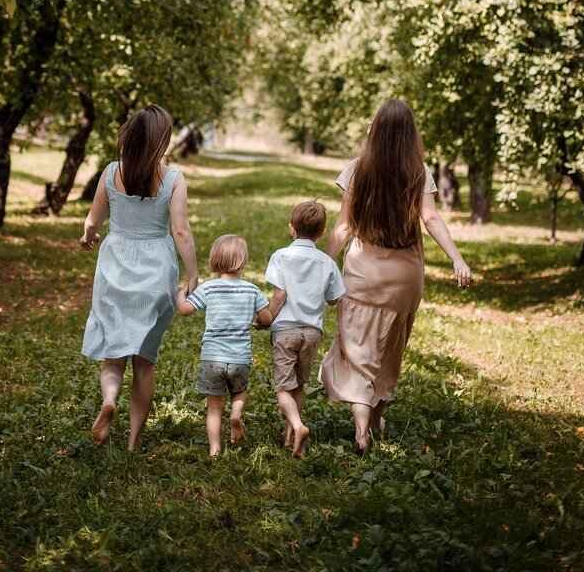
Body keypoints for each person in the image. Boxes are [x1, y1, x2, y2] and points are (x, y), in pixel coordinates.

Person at [320, 99, 473, 451]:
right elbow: (431, 218)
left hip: (362, 276)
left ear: (375, 129)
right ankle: (375, 420)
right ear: (410, 134)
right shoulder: (418, 171)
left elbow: (343, 227)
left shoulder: (358, 168)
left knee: (357, 351)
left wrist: (324, 265)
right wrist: (457, 260)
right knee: (389, 351)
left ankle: (361, 429)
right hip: (403, 281)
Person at [79, 104, 198, 451]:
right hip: (156, 270)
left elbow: (92, 222)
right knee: (145, 362)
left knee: (113, 356)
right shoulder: (173, 179)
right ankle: (133, 441)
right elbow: (180, 229)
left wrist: (88, 238)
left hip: (115, 266)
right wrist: (193, 274)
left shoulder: (111, 172)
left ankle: (109, 400)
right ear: (161, 140)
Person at [261, 200, 345, 457]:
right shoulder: (327, 263)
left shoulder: (281, 256)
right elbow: (333, 299)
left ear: (291, 228)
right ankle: (289, 437)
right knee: (298, 384)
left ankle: (297, 426)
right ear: (321, 233)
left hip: (285, 331)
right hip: (311, 333)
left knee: (283, 387)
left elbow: (279, 295)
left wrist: (267, 319)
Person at [177, 234, 272, 457]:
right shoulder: (251, 290)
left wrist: (181, 294)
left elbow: (185, 310)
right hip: (240, 358)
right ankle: (236, 413)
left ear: (214, 260)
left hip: (212, 358)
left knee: (214, 408)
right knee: (239, 392)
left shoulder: (208, 289)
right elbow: (267, 319)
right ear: (244, 260)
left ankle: (214, 449)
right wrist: (260, 323)